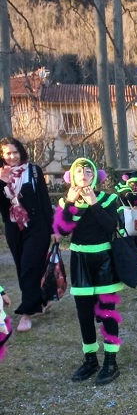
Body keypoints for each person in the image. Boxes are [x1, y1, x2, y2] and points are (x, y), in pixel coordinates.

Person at [53, 157, 124, 384]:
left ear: (95, 176)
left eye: (88, 171)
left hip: (104, 261)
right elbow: (62, 230)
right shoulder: (67, 201)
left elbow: (110, 227)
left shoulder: (108, 198)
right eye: (78, 171)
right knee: (84, 314)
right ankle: (90, 359)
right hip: (80, 261)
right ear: (71, 177)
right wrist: (70, 202)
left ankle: (111, 362)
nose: (83, 174)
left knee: (107, 312)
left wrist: (94, 203)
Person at [0, 137, 53, 332]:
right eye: (8, 153)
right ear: (2, 155)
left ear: (21, 151)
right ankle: (42, 298)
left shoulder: (33, 171)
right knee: (23, 268)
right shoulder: (0, 174)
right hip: (13, 228)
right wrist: (2, 182)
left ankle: (26, 313)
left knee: (29, 267)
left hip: (37, 227)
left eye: (15, 152)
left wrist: (53, 229)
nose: (12, 156)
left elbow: (44, 202)